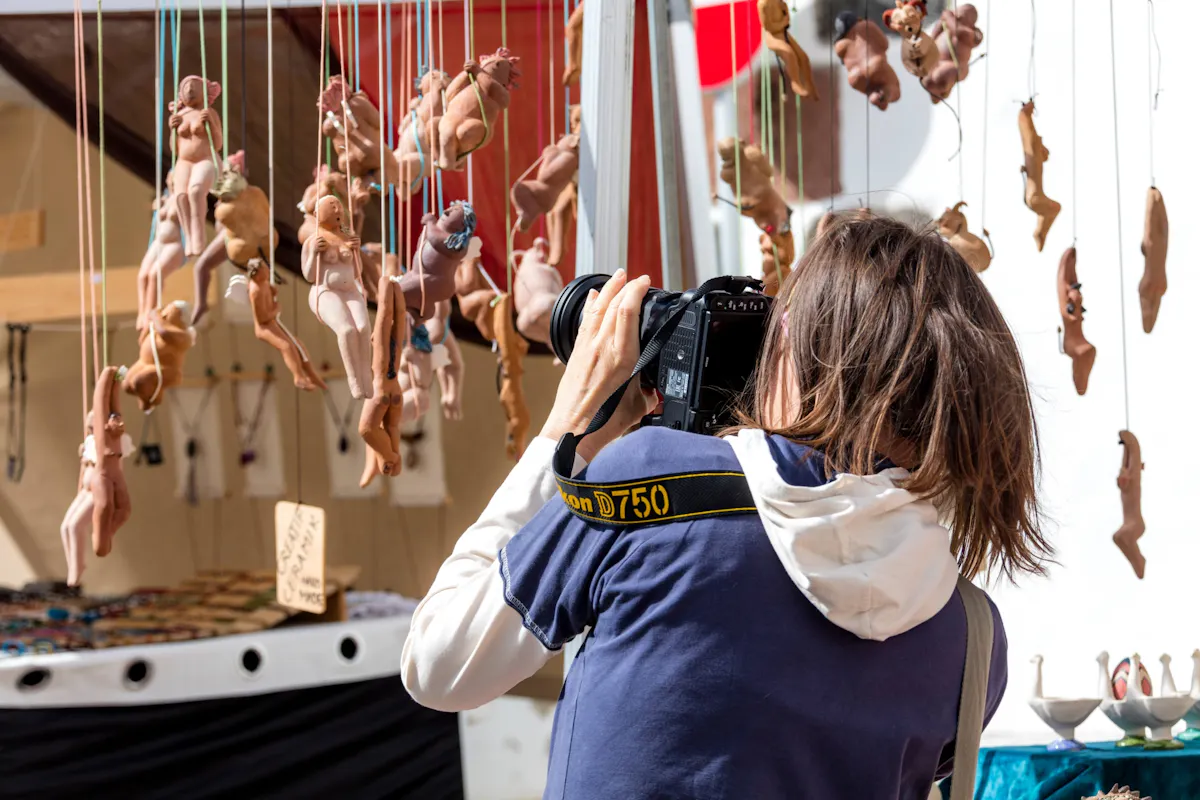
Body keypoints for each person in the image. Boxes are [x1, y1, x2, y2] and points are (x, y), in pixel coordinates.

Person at [402, 213, 1051, 799]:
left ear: (796, 346)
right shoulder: (973, 637)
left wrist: (569, 430)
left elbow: (438, 663)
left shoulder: (653, 488)